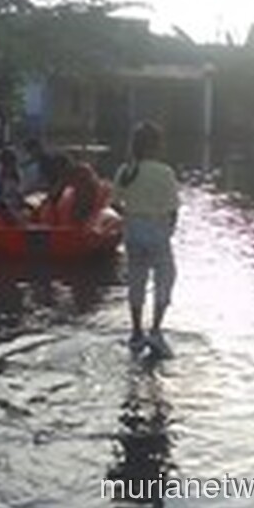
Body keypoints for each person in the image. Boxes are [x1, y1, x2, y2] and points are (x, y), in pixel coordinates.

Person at [113, 122, 179, 354]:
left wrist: (130, 217)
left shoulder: (125, 170)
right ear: (157, 146)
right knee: (166, 277)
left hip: (133, 231)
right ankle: (156, 330)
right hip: (157, 229)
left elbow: (114, 203)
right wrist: (168, 231)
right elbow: (173, 211)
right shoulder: (165, 172)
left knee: (136, 279)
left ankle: (136, 332)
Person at [0, 147, 32, 223]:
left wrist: (23, 201)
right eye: (7, 160)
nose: (10, 164)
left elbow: (21, 191)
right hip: (2, 206)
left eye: (11, 160)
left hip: (15, 204)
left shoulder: (18, 173)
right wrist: (2, 202)